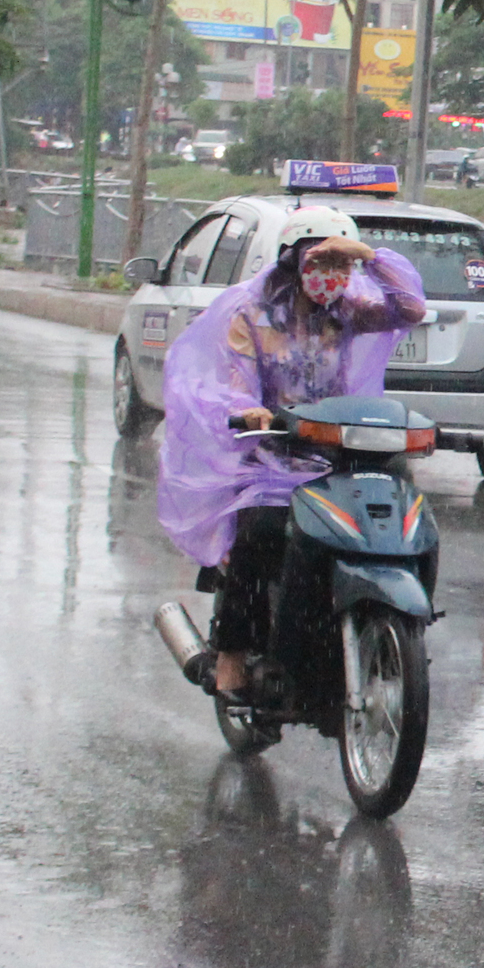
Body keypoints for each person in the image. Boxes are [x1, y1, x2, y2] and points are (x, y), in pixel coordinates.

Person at [156, 205, 427, 699]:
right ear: (293, 260)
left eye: (342, 266)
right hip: (271, 455)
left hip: (334, 452)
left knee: (401, 521)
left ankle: (386, 632)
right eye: (322, 262)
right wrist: (249, 412)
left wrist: (369, 257)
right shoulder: (252, 314)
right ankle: (233, 657)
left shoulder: (348, 310)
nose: (333, 276)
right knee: (259, 532)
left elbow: (409, 309)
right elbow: (235, 379)